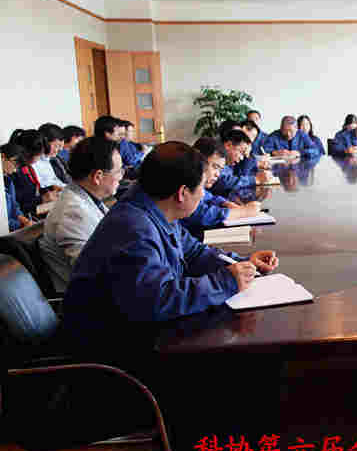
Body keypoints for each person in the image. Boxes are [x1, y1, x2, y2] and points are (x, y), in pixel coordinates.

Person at [61, 141, 280, 344]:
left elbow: (194, 253)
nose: (203, 195)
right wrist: (225, 281)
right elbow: (158, 300)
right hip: (109, 347)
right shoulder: (133, 228)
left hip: (138, 332)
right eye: (201, 189)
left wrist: (242, 264)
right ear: (182, 193)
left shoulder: (156, 207)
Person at [39, 136, 122, 293]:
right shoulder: (73, 212)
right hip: (90, 300)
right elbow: (94, 273)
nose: (121, 176)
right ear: (98, 176)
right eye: (119, 171)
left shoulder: (86, 199)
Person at [181, 138, 262, 237]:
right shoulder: (185, 185)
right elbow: (202, 215)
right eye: (215, 167)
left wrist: (225, 203)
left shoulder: (199, 186)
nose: (217, 174)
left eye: (220, 170)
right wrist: (243, 212)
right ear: (199, 162)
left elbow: (208, 196)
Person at [11, 129, 59, 215]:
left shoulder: (28, 168)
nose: (40, 158)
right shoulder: (13, 172)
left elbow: (32, 190)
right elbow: (18, 205)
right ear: (29, 153)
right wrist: (41, 199)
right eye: (39, 155)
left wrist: (51, 188)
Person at [210, 130, 269, 196]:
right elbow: (224, 181)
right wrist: (255, 179)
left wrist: (248, 156)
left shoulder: (230, 164)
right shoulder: (214, 157)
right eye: (241, 152)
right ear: (228, 145)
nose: (241, 158)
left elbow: (242, 174)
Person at [2, 142, 34, 232]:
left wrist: (24, 219)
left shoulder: (8, 180)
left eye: (18, 167)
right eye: (14, 164)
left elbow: (14, 205)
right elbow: (3, 220)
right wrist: (21, 224)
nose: (15, 170)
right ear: (3, 157)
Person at [35, 123, 68, 189]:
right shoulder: (34, 162)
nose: (60, 150)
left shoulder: (53, 159)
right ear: (45, 143)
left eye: (61, 146)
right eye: (57, 146)